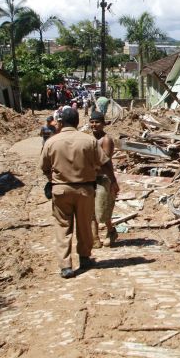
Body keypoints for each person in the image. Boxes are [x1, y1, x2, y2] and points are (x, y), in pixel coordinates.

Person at [39, 108, 119, 278]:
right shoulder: (89, 141)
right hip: (85, 190)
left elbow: (44, 167)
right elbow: (105, 162)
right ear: (78, 122)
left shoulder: (51, 142)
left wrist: (53, 180)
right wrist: (113, 181)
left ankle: (66, 266)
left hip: (60, 190)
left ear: (60, 123)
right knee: (84, 226)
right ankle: (84, 258)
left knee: (63, 227)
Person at [89, 111, 118, 247]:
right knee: (90, 209)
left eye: (97, 122)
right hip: (90, 178)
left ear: (103, 124)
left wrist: (113, 181)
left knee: (103, 209)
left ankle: (111, 230)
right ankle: (94, 238)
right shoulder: (89, 138)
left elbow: (105, 162)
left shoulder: (106, 140)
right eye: (92, 122)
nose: (94, 125)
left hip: (103, 178)